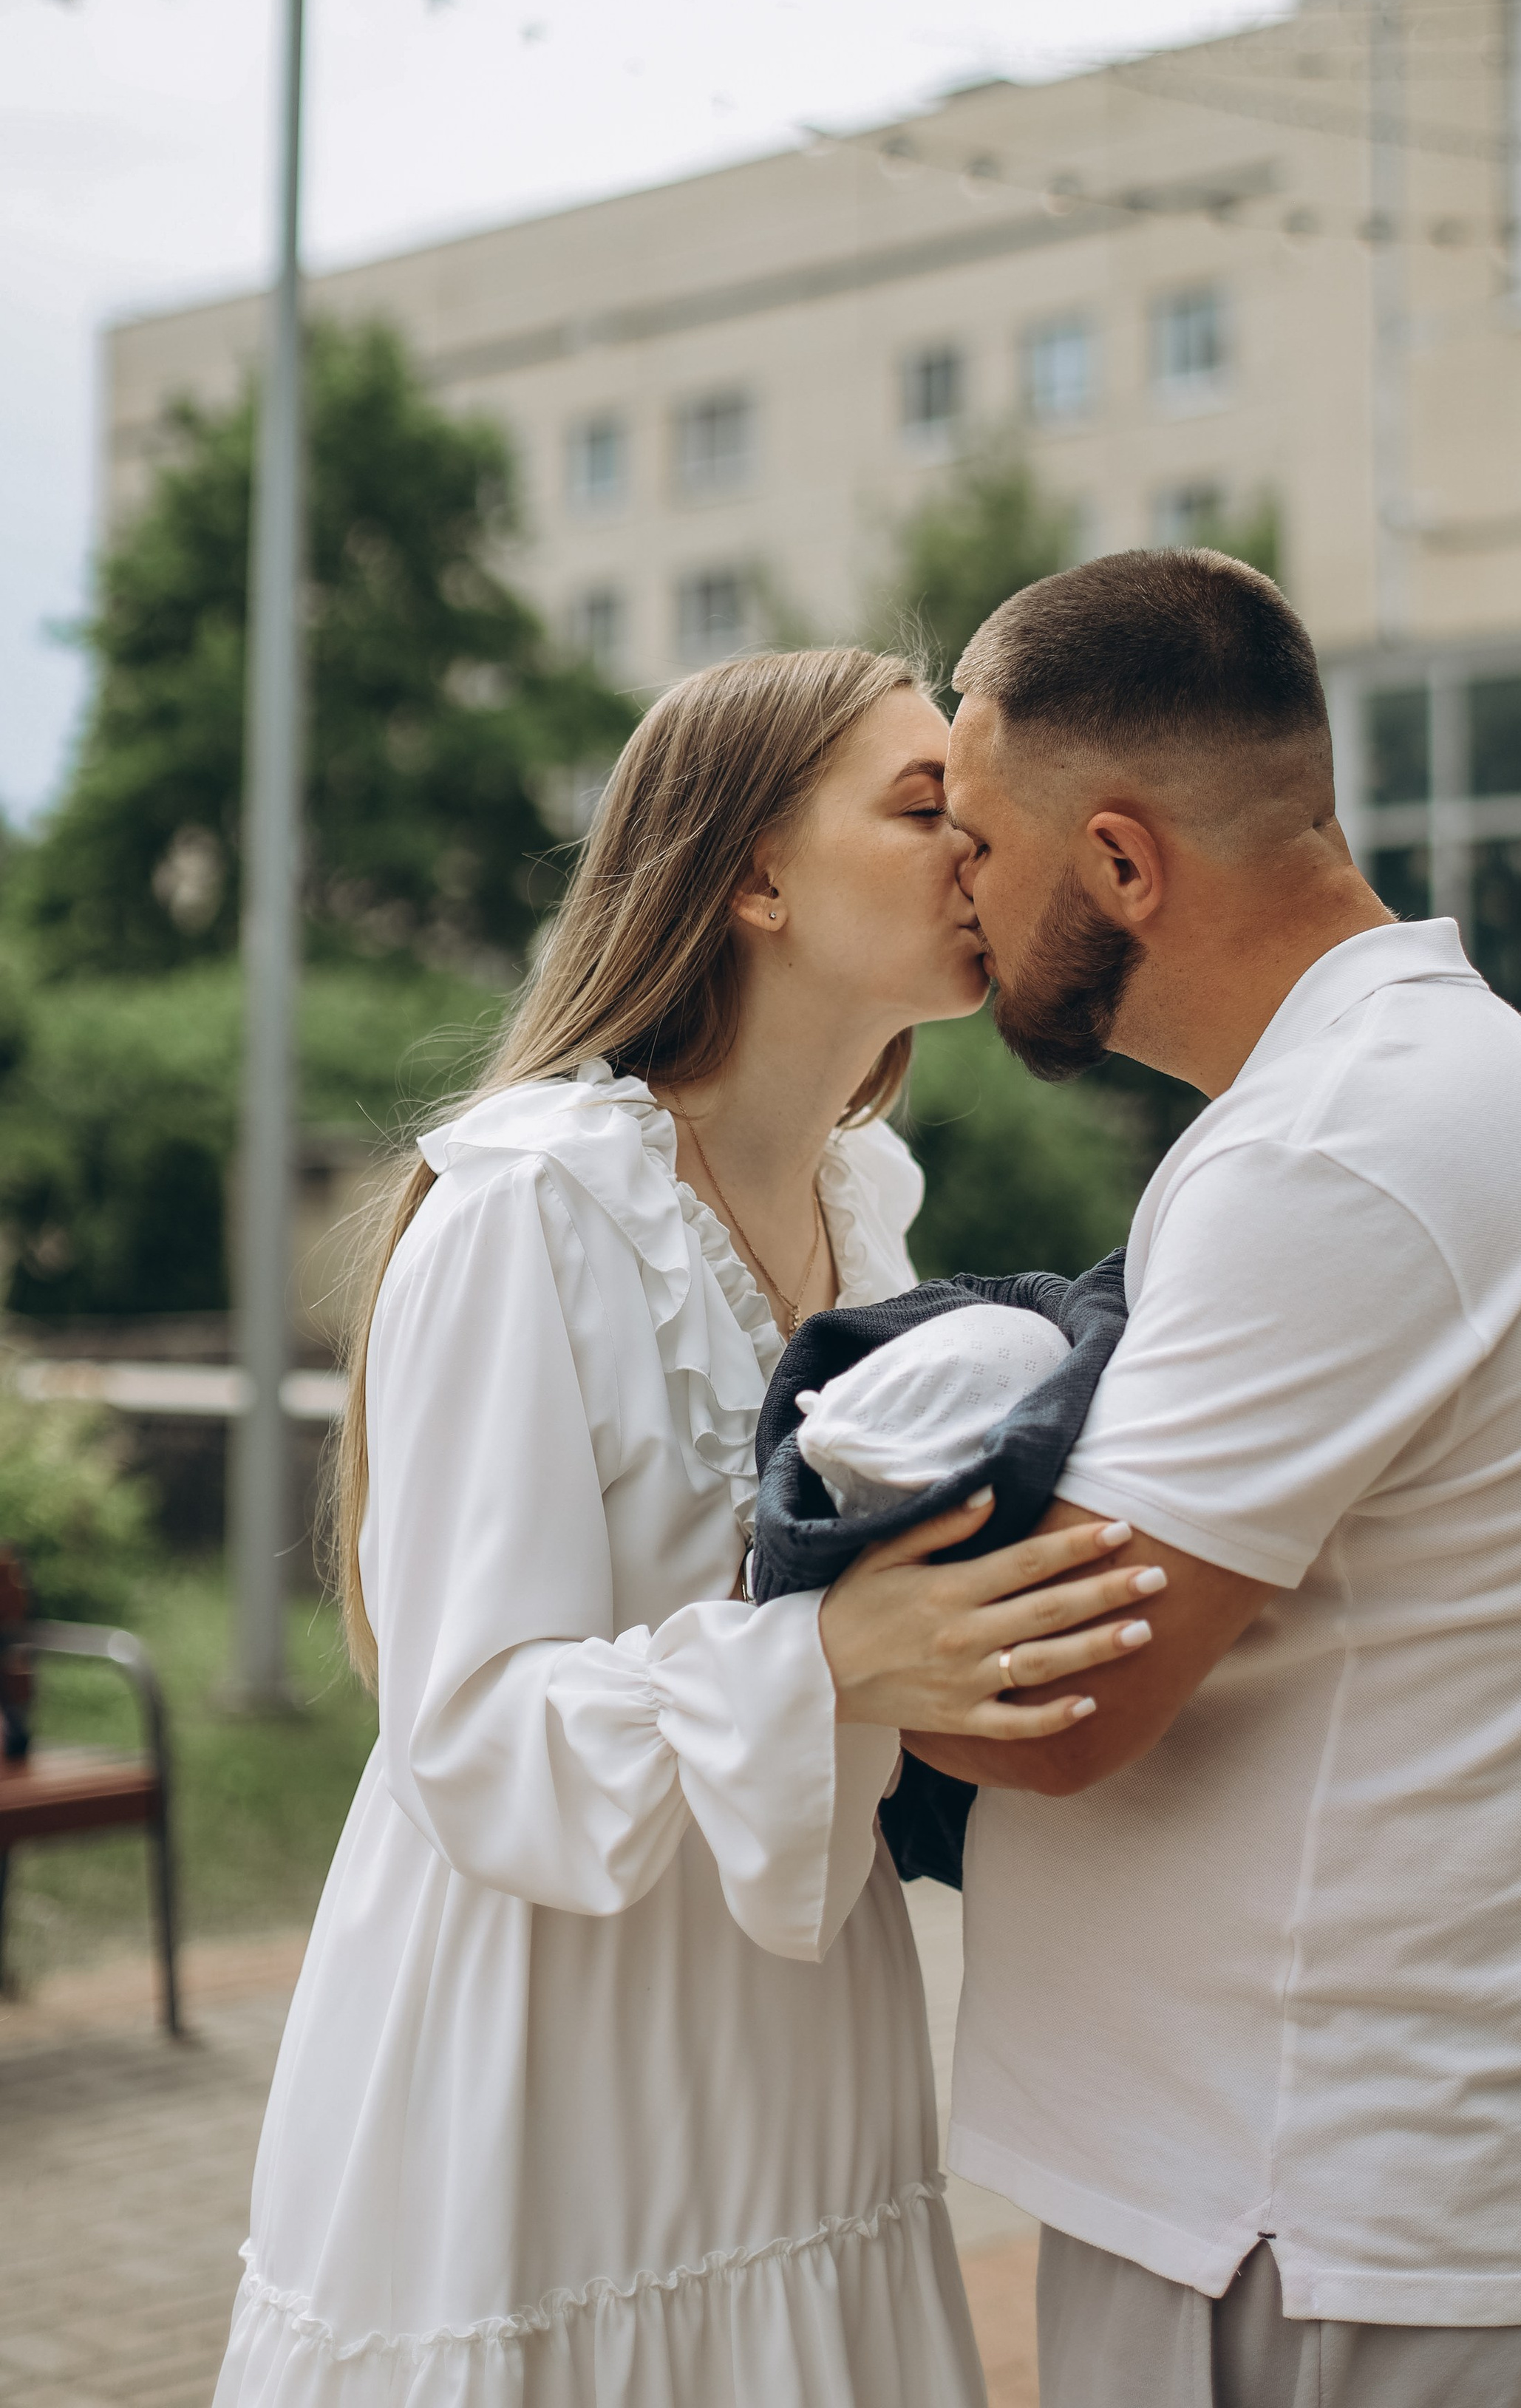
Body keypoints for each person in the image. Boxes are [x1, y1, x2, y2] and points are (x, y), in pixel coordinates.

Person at [213, 646, 1169, 2408]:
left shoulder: (865, 1203)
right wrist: (821, 1654)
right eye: (919, 806)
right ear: (748, 874)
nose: (980, 846)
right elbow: (471, 1728)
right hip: (549, 2052)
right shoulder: (531, 1205)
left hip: (796, 2030)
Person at [912, 550, 1521, 2408]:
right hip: (1329, 2181)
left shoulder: (1334, 1151)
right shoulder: (1414, 1083)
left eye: (983, 847)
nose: (960, 890)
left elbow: (1055, 1706)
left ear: (1117, 862)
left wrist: (771, 1641)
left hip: (1309, 2214)